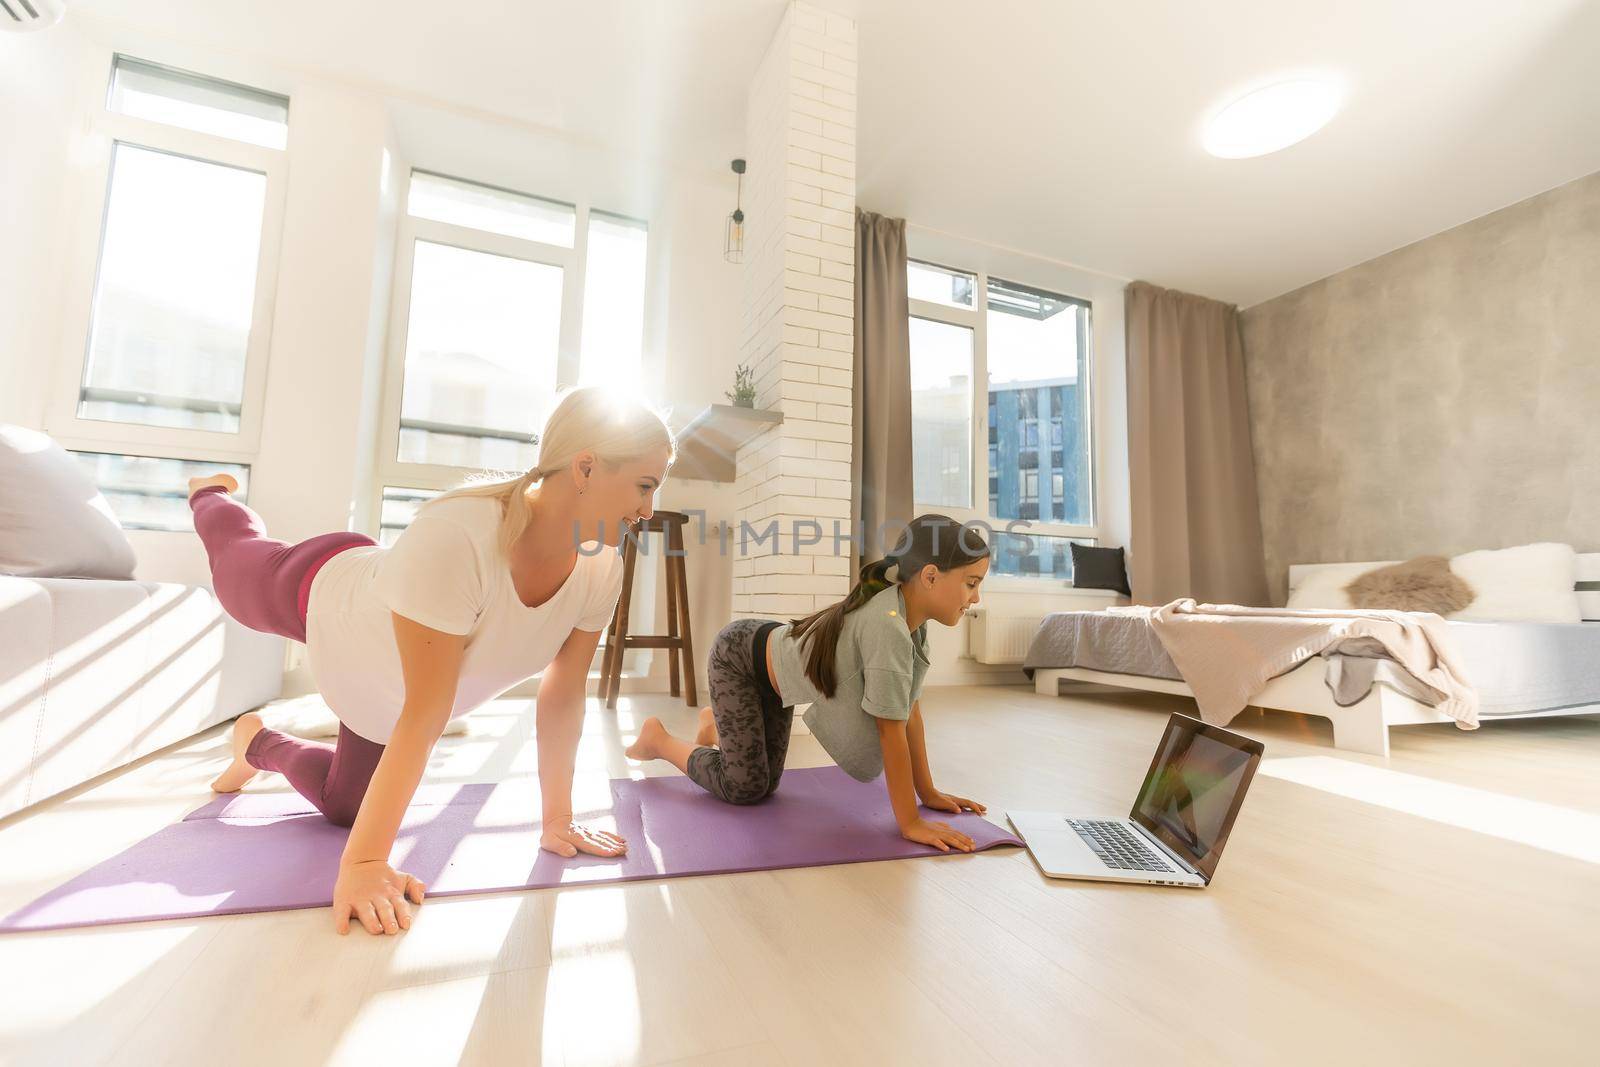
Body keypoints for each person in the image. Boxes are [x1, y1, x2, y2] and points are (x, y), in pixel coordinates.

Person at [193, 386, 673, 935]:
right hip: (327, 598)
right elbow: (428, 710)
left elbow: (563, 694)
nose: (648, 511)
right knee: (234, 577)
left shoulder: (601, 567)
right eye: (644, 485)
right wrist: (365, 864)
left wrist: (557, 819)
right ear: (585, 467)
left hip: (381, 698)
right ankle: (210, 498)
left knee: (347, 808)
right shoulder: (460, 536)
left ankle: (256, 742)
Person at [626, 514, 990, 853]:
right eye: (971, 584)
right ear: (929, 576)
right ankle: (659, 739)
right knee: (744, 788)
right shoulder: (888, 624)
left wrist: (927, 793)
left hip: (774, 675)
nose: (975, 598)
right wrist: (910, 822)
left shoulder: (912, 624)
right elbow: (889, 729)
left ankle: (714, 726)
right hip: (738, 659)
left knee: (766, 786)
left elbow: (908, 708)